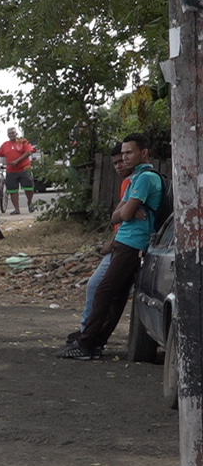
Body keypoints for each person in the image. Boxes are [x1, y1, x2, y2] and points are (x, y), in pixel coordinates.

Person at [57, 133, 163, 360]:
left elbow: (123, 213)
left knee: (106, 292)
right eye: (122, 153)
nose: (124, 158)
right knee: (113, 295)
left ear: (143, 153)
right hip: (125, 241)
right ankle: (93, 342)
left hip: (133, 243)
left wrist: (127, 211)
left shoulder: (145, 178)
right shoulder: (135, 178)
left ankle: (87, 344)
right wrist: (126, 211)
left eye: (129, 153)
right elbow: (117, 216)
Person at [65, 147, 134, 348]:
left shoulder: (140, 181)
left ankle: (90, 336)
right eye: (116, 162)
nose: (120, 165)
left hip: (125, 245)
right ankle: (91, 334)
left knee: (100, 288)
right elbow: (118, 215)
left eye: (123, 159)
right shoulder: (128, 184)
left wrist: (114, 239)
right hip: (119, 242)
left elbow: (126, 215)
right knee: (109, 292)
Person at [0, 127, 37, 215]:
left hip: (24, 169)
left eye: (13, 133)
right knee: (13, 190)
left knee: (28, 187)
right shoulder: (5, 145)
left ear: (16, 133)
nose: (11, 135)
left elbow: (28, 152)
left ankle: (30, 202)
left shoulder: (23, 141)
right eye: (9, 133)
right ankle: (17, 209)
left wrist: (17, 161)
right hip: (11, 171)